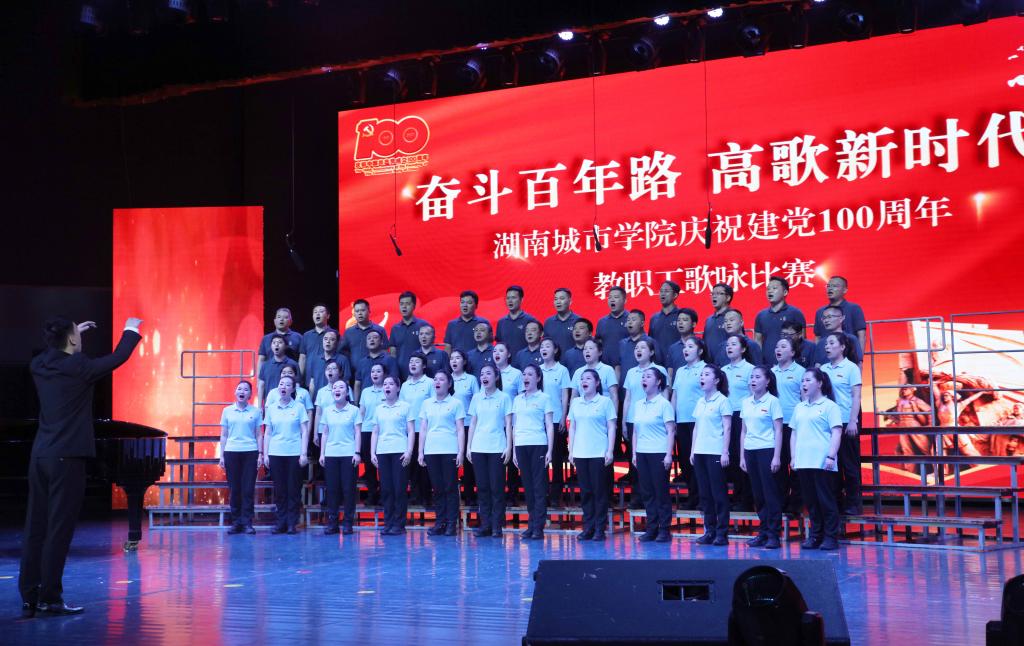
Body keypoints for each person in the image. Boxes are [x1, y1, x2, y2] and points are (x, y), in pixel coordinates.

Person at [20, 316, 142, 617]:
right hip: (68, 458)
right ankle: (50, 597)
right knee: (59, 529)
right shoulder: (79, 367)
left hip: (41, 456)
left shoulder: (38, 365)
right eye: (78, 333)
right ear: (72, 340)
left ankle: (30, 594)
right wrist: (130, 329)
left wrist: (70, 336)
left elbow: (54, 352)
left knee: (36, 527)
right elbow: (118, 357)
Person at [790, 368, 844, 551]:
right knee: (811, 502)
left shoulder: (830, 406)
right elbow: (794, 433)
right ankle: (815, 536)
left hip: (822, 462)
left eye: (808, 380)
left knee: (826, 501)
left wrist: (831, 456)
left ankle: (831, 537)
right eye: (802, 381)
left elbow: (837, 432)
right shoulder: (799, 407)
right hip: (803, 462)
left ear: (820, 383)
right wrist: (793, 457)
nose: (804, 384)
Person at [567, 369, 617, 541]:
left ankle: (600, 528)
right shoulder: (576, 403)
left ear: (597, 383)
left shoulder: (605, 402)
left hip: (598, 452)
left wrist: (610, 450)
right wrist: (571, 450)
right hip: (581, 452)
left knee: (599, 492)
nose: (584, 381)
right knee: (586, 492)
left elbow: (611, 427)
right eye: (582, 379)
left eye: (588, 378)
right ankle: (588, 527)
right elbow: (572, 427)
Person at [739, 366, 785, 549]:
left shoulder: (773, 401)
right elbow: (743, 431)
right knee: (758, 495)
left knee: (770, 493)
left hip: (767, 450)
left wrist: (776, 456)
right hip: (750, 451)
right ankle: (763, 532)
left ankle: (774, 534)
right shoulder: (746, 402)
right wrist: (742, 456)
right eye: (752, 377)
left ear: (767, 381)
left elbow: (778, 430)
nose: (753, 380)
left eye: (757, 377)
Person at [466, 365, 513, 537]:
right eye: (482, 374)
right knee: (483, 488)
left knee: (497, 488)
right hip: (479, 447)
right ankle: (485, 524)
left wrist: (509, 446)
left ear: (496, 377)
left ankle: (496, 526)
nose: (484, 377)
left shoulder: (504, 397)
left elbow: (508, 424)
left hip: (497, 447)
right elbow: (473, 423)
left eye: (488, 373)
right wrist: (469, 447)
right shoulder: (477, 398)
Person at [819, 333, 864, 515]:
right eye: (826, 344)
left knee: (849, 465)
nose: (827, 346)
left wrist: (853, 420)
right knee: (831, 466)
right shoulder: (823, 369)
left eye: (831, 343)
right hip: (828, 424)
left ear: (843, 347)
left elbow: (856, 396)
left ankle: (854, 503)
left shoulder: (851, 368)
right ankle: (835, 502)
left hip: (846, 421)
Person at [418, 371, 466, 536]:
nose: (437, 382)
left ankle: (452, 524)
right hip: (431, 450)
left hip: (449, 449)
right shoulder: (427, 403)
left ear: (449, 383)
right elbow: (423, 429)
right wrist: (420, 451)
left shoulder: (456, 403)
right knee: (437, 488)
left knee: (450, 487)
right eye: (435, 379)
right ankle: (440, 522)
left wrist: (461, 451)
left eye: (441, 379)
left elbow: (460, 429)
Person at [631, 368, 676, 543]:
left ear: (658, 382)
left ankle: (664, 529)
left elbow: (671, 430)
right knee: (647, 492)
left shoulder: (664, 404)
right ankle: (652, 528)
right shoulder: (638, 404)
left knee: (660, 492)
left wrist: (668, 454)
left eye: (648, 376)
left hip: (658, 452)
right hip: (642, 452)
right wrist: (634, 453)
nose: (644, 379)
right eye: (643, 377)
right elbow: (635, 431)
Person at [262, 374, 310, 534]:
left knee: (293, 489)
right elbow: (268, 433)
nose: (283, 387)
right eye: (281, 384)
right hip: (276, 452)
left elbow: (304, 431)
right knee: (280, 489)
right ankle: (281, 522)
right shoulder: (272, 408)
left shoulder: (299, 407)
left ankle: (291, 523)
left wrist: (303, 453)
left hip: (294, 453)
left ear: (293, 389)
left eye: (287, 385)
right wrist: (266, 454)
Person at [690, 365, 733, 546]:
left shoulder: (722, 401)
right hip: (700, 452)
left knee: (718, 494)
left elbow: (727, 428)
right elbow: (696, 428)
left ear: (716, 380)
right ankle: (710, 531)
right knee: (705, 494)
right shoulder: (700, 401)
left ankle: (722, 533)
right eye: (701, 374)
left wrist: (725, 451)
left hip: (715, 451)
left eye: (706, 374)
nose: (702, 377)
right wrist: (692, 450)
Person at [511, 364, 555, 540]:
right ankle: (531, 524)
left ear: (538, 378)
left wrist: (550, 449)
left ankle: (538, 526)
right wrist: (514, 450)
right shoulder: (517, 399)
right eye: (524, 374)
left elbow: (549, 425)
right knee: (528, 487)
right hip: (521, 445)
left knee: (539, 487)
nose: (526, 377)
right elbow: (514, 426)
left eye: (530, 374)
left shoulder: (544, 398)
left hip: (538, 444)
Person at [370, 376, 415, 535]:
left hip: (400, 451)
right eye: (385, 384)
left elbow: (411, 430)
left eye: (390, 384)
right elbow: (375, 431)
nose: (387, 386)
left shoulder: (405, 406)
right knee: (386, 489)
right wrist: (372, 452)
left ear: (398, 388)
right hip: (383, 451)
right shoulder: (379, 408)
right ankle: (388, 523)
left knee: (399, 489)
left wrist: (409, 451)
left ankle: (399, 524)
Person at [219, 380, 262, 535]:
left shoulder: (256, 412)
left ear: (250, 394)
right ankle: (236, 522)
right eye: (239, 389)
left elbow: (259, 434)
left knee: (248, 489)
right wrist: (222, 455)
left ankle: (247, 522)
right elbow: (224, 435)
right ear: (235, 392)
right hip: (231, 452)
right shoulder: (227, 411)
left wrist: (260, 454)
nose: (242, 391)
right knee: (235, 489)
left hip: (250, 452)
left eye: (245, 389)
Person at [318, 380, 361, 535]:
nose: (337, 389)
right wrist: (322, 453)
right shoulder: (328, 410)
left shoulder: (354, 410)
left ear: (347, 392)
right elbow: (325, 433)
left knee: (348, 489)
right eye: (335, 387)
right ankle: (333, 522)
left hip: (348, 454)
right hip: (331, 454)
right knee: (332, 490)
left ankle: (348, 523)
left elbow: (357, 432)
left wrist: (357, 452)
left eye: (341, 387)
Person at [669, 337, 708, 509]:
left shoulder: (705, 369)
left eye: (690, 346)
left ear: (700, 351)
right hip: (682, 420)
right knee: (685, 461)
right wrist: (672, 419)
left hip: (698, 421)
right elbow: (675, 396)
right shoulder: (680, 371)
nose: (686, 349)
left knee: (698, 461)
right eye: (685, 347)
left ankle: (702, 498)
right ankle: (693, 497)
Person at [771, 338, 807, 513]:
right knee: (778, 465)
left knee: (796, 465)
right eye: (777, 346)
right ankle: (781, 501)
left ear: (792, 352)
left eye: (783, 346)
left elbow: (805, 399)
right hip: (775, 425)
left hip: (794, 425)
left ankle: (796, 504)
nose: (778, 349)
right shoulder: (771, 372)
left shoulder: (801, 372)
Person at [722, 334, 756, 510]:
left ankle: (746, 499)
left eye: (733, 344)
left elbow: (753, 394)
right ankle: (735, 497)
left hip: (742, 416)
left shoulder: (750, 369)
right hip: (725, 416)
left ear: (743, 349)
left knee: (742, 456)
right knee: (730, 457)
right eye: (728, 344)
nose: (729, 347)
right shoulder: (723, 370)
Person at [539, 339, 572, 505]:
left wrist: (564, 417)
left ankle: (555, 494)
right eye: (542, 347)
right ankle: (543, 493)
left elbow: (565, 396)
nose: (543, 349)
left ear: (555, 350)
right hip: (540, 420)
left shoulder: (562, 370)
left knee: (556, 459)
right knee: (541, 459)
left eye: (547, 346)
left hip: (556, 418)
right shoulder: (537, 370)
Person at [401, 355, 433, 504]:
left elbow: (434, 404)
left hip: (425, 429)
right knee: (412, 464)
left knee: (425, 464)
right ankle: (414, 496)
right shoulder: (405, 385)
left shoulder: (430, 383)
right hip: (409, 431)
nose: (413, 364)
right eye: (411, 361)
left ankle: (427, 496)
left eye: (417, 362)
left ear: (424, 366)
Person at [450, 349, 480, 504]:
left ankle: (470, 495)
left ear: (465, 362)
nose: (454, 361)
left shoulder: (471, 379)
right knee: (451, 461)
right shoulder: (446, 379)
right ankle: (452, 497)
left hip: (468, 425)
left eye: (458, 358)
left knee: (468, 462)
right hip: (449, 427)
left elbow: (478, 401)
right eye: (452, 358)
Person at [754, 276, 807, 365]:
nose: (770, 291)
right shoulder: (761, 315)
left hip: (791, 364)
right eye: (768, 289)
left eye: (774, 288)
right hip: (767, 365)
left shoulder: (795, 313)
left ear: (785, 292)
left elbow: (802, 340)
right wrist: (759, 363)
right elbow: (757, 341)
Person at [357, 363, 387, 505]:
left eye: (378, 371)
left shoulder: (388, 389)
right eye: (373, 371)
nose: (375, 374)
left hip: (384, 431)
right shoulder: (365, 392)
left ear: (384, 374)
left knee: (383, 464)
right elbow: (361, 412)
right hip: (367, 430)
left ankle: (384, 494)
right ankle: (372, 494)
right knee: (369, 465)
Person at [813, 276, 867, 349]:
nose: (830, 288)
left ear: (845, 290)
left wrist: (859, 355)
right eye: (828, 286)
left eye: (835, 286)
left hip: (848, 353)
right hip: (825, 354)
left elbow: (861, 335)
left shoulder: (854, 308)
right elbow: (818, 336)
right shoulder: (820, 311)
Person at [389, 291, 429, 380]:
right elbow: (393, 354)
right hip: (399, 374)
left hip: (419, 374)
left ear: (414, 306)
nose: (404, 306)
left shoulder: (423, 325)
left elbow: (428, 350)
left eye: (407, 304)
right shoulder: (395, 328)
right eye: (401, 304)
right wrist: (394, 374)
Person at [256, 307, 302, 382]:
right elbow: (261, 359)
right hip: (270, 377)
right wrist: (259, 380)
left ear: (290, 321)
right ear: (274, 321)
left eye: (285, 317)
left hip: (290, 379)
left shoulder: (298, 337)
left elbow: (302, 359)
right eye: (279, 317)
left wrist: (299, 378)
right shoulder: (266, 338)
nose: (281, 319)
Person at [341, 299, 389, 369]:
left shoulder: (380, 330)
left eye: (362, 310)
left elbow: (385, 351)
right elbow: (343, 352)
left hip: (374, 372)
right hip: (354, 372)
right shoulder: (348, 332)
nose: (360, 313)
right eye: (357, 311)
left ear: (369, 311)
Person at [353, 329, 399, 404]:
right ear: (366, 344)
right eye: (369, 338)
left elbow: (395, 381)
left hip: (385, 400)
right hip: (366, 401)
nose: (372, 340)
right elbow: (357, 384)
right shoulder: (361, 362)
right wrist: (356, 403)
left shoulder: (390, 360)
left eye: (375, 337)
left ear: (381, 342)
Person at [570, 338, 619, 406]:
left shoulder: (608, 370)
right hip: (582, 410)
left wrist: (613, 413)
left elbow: (614, 396)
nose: (587, 351)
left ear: (600, 352)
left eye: (591, 348)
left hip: (603, 410)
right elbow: (573, 397)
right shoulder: (578, 372)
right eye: (585, 349)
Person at [496, 285, 539, 360]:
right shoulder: (501, 322)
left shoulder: (530, 320)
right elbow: (499, 345)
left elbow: (536, 344)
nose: (510, 301)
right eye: (508, 298)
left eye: (513, 298)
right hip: (506, 364)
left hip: (525, 362)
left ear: (521, 299)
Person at [257, 335, 299, 411]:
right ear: (271, 346)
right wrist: (259, 406)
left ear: (285, 346)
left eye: (280, 342)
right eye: (274, 343)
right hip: (270, 405)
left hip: (290, 406)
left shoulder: (293, 364)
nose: (276, 344)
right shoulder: (265, 365)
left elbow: (297, 385)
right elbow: (261, 385)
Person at [299, 303, 337, 382]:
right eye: (315, 312)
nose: (318, 314)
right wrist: (299, 379)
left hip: (328, 378)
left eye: (321, 311)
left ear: (328, 316)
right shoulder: (306, 335)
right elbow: (302, 358)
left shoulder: (335, 334)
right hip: (309, 379)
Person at [306, 329, 351, 396]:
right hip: (318, 399)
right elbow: (312, 383)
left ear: (337, 343)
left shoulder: (343, 360)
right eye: (325, 339)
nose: (328, 341)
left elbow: (346, 382)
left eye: (332, 339)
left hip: (336, 399)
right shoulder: (315, 359)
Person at [596, 285, 629, 373]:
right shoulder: (602, 322)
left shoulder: (631, 319)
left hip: (627, 367)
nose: (612, 300)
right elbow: (597, 345)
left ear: (625, 300)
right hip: (605, 369)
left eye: (616, 297)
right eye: (610, 297)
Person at [444, 290, 488, 355]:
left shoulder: (483, 323)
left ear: (476, 306)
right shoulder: (452, 324)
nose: (465, 305)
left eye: (469, 303)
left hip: (476, 360)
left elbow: (488, 346)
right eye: (462, 302)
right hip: (457, 360)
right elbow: (448, 347)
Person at [648, 280, 682, 362]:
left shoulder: (681, 316)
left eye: (666, 291)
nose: (662, 294)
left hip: (677, 360)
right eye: (661, 291)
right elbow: (650, 342)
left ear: (675, 295)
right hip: (657, 363)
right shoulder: (654, 318)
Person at [617, 309, 652, 386]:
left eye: (633, 320)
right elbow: (618, 366)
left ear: (642, 323)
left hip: (644, 387)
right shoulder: (622, 344)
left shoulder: (650, 342)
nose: (630, 322)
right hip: (624, 388)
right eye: (628, 320)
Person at [543, 287, 581, 356]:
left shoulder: (579, 321)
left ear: (570, 301)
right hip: (554, 361)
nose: (558, 302)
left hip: (573, 360)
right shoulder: (548, 322)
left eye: (562, 298)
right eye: (556, 299)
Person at [665, 308, 699, 382]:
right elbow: (670, 374)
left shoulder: (701, 345)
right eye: (678, 320)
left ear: (693, 324)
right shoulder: (672, 348)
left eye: (685, 320)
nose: (680, 322)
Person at [702, 283, 734, 351]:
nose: (714, 296)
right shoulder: (709, 320)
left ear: (728, 298)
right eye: (712, 294)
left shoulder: (733, 317)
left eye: (719, 293)